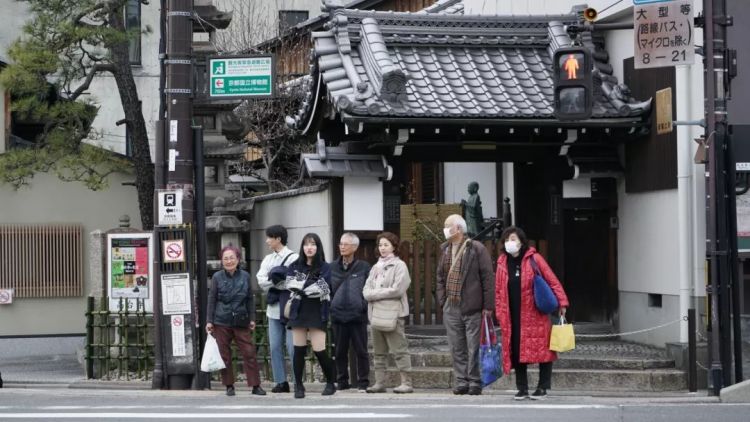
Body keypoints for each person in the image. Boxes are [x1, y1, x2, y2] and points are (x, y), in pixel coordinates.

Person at [495, 226, 569, 400]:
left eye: (513, 239)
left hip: (535, 313)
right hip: (512, 315)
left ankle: (542, 387)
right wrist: (500, 312)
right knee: (516, 350)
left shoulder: (534, 258)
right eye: (506, 240)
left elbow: (552, 280)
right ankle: (522, 388)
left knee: (544, 350)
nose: (509, 243)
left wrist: (562, 302)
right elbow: (498, 291)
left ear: (521, 241)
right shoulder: (502, 262)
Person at [436, 214, 495, 395]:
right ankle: (461, 381)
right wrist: (443, 300)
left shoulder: (476, 248)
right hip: (451, 306)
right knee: (456, 346)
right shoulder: (445, 249)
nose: (445, 229)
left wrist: (488, 306)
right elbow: (439, 277)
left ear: (459, 229)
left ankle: (475, 381)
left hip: (473, 306)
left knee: (473, 346)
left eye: (448, 226)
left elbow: (487, 278)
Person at [206, 245, 266, 397]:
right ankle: (229, 385)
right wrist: (209, 321)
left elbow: (249, 299)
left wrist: (252, 318)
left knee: (249, 352)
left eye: (232, 258)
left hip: (241, 319)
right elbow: (212, 300)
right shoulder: (217, 277)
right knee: (224, 354)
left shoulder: (245, 276)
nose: (229, 261)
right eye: (225, 258)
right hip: (221, 320)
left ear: (238, 259)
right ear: (221, 261)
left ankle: (255, 385)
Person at [284, 233, 336, 398]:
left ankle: (330, 382)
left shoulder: (325, 267)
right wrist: (309, 284)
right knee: (298, 350)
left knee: (319, 350)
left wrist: (303, 286)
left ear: (318, 246)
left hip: (317, 310)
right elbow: (290, 284)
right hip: (298, 309)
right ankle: (298, 386)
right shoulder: (296, 265)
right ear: (302, 247)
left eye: (313, 244)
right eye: (306, 244)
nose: (309, 247)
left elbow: (323, 287)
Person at [362, 232, 413, 394]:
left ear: (394, 247)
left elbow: (398, 289)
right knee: (378, 351)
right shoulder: (375, 267)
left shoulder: (400, 266)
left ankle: (406, 382)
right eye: (380, 245)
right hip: (376, 314)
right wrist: (379, 293)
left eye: (386, 245)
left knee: (399, 349)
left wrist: (376, 294)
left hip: (394, 314)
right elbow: (365, 291)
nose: (382, 248)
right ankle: (379, 382)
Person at [256, 225, 298, 393]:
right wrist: (277, 282)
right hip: (273, 308)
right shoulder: (268, 259)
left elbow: (294, 281)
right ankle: (281, 381)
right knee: (274, 346)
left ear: (278, 239)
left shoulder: (293, 257)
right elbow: (261, 281)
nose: (267, 241)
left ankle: (297, 381)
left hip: (290, 306)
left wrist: (274, 281)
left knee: (292, 346)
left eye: (269, 237)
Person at [330, 232, 371, 392]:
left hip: (357, 315)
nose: (342, 246)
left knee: (361, 351)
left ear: (355, 247)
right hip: (338, 315)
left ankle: (363, 382)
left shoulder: (364, 267)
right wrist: (331, 306)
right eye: (341, 243)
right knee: (339, 351)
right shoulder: (331, 267)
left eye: (346, 244)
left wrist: (363, 305)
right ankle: (342, 381)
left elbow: (369, 288)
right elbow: (325, 288)